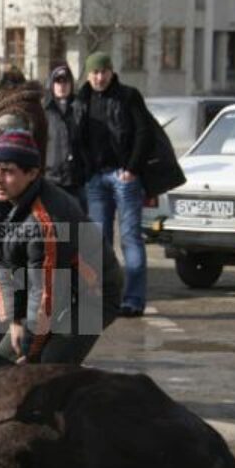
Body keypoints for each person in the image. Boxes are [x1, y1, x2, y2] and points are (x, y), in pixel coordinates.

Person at [0, 130, 121, 364]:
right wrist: (14, 319)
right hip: (51, 290)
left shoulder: (48, 221)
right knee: (0, 362)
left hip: (92, 295)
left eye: (8, 171)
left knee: (49, 365)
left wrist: (30, 352)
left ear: (32, 173)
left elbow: (46, 295)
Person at [75, 51, 152, 318]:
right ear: (88, 74)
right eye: (94, 72)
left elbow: (144, 133)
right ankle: (100, 298)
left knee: (130, 238)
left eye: (103, 72)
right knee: (98, 241)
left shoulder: (128, 96)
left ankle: (133, 300)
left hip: (123, 176)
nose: (99, 77)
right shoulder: (82, 98)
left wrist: (131, 169)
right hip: (95, 178)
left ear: (111, 72)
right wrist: (86, 171)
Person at [43, 60, 87, 212]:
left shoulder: (80, 108)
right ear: (51, 84)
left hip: (77, 180)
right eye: (58, 81)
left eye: (65, 81)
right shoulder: (44, 111)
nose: (62, 85)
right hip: (51, 179)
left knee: (79, 229)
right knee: (54, 228)